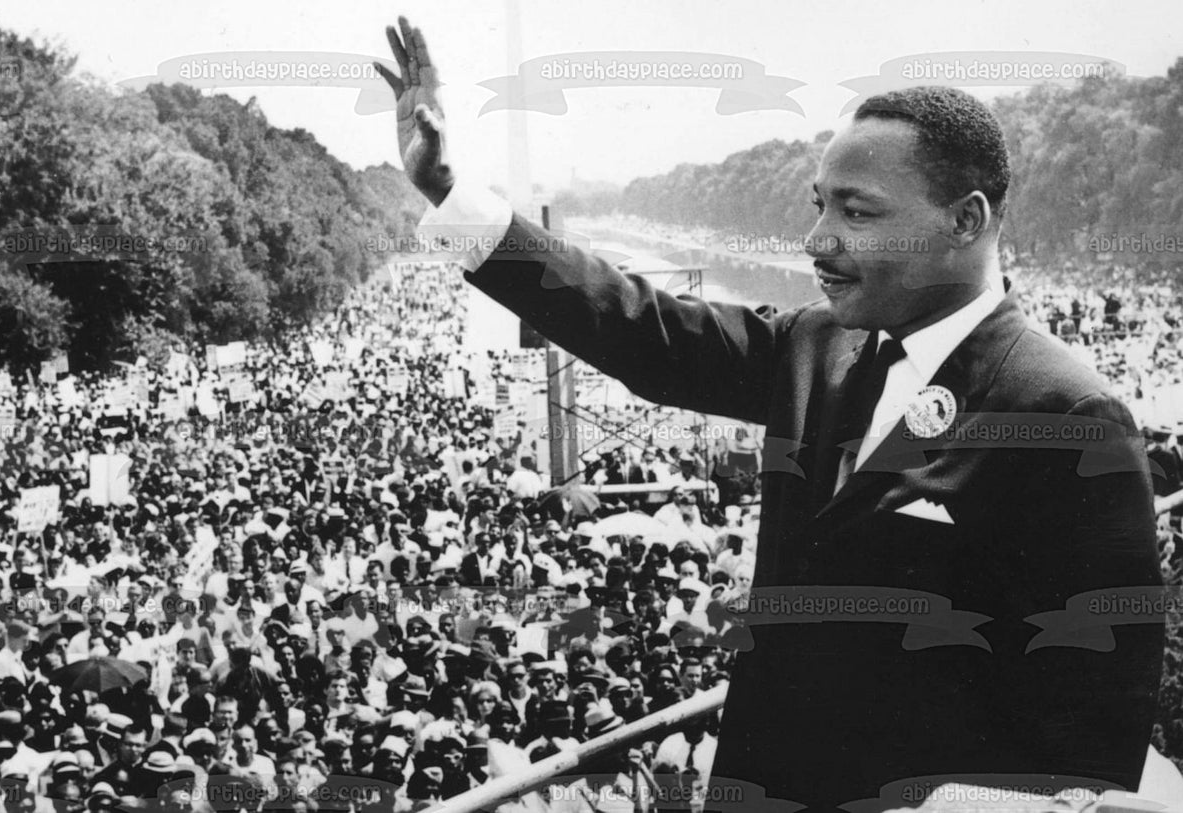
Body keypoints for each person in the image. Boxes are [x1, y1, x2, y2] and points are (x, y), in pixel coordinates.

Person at [376, 16, 1164, 808]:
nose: (816, 239)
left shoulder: (1067, 411)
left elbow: (1092, 723)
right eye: (819, 205)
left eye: (856, 213)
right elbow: (635, 325)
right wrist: (453, 193)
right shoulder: (815, 343)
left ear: (964, 220)